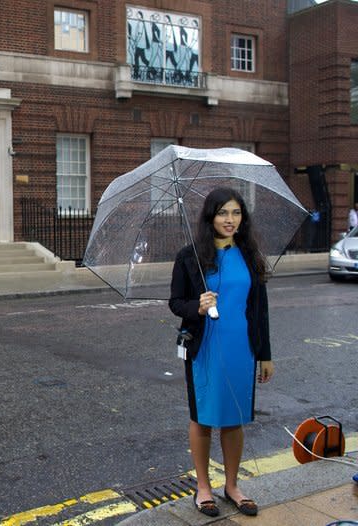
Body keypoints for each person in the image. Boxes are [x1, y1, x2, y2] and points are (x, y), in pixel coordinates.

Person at [169, 187, 274, 518]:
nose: (230, 220)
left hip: (241, 347)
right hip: (205, 347)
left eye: (236, 213)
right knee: (203, 418)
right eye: (223, 213)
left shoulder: (249, 254)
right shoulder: (190, 257)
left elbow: (259, 310)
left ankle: (231, 486)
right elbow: (175, 303)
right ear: (210, 217)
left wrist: (265, 354)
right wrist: (196, 307)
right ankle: (203, 488)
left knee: (234, 418)